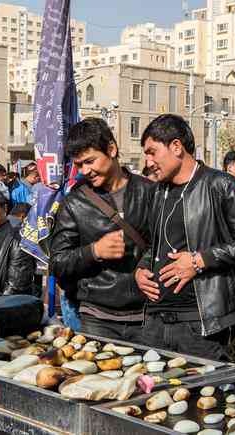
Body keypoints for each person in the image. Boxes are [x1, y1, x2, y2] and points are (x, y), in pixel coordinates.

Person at [134, 114, 235, 360]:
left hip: (203, 326)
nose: (149, 161)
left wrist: (199, 260)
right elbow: (153, 245)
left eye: (152, 152)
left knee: (207, 397)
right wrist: (142, 269)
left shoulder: (220, 185)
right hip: (155, 322)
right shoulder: (157, 192)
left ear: (176, 146)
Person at [50, 118, 154, 342]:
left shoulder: (150, 192)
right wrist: (93, 251)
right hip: (97, 318)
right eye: (79, 165)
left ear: (112, 149)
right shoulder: (74, 203)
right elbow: (57, 262)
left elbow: (167, 243)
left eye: (90, 161)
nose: (85, 170)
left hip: (149, 314)